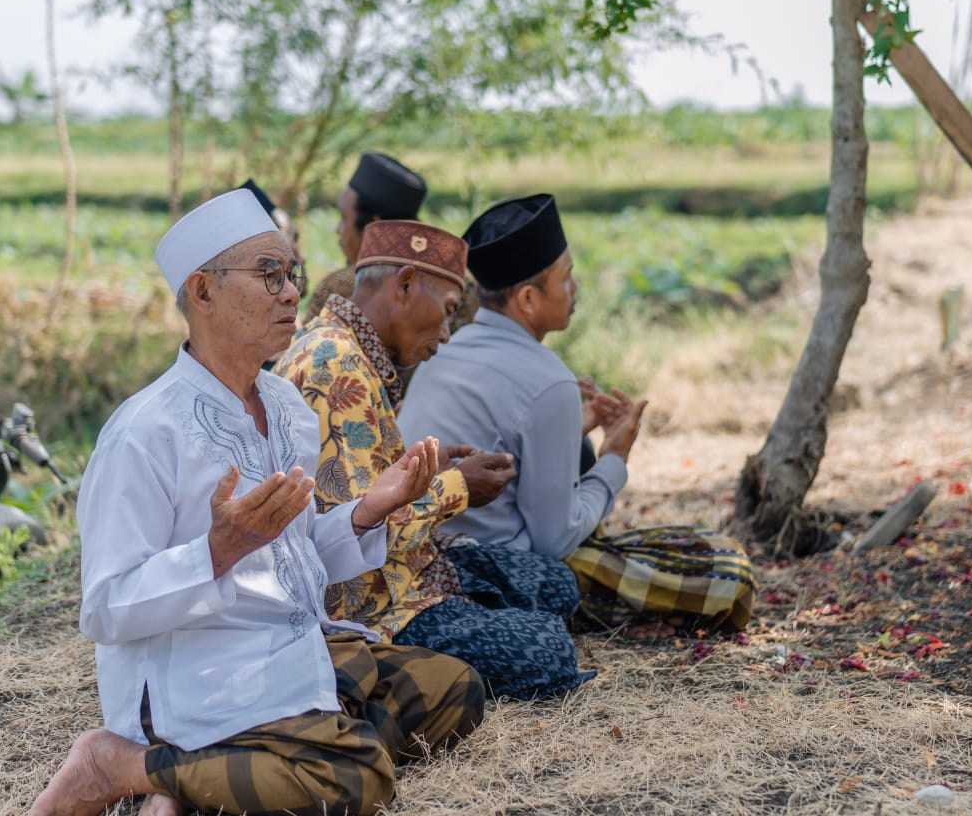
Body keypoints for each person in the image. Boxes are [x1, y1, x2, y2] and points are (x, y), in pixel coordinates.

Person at [29, 189, 483, 816]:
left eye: (291, 274)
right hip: (206, 672)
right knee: (357, 781)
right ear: (204, 292)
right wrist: (219, 551)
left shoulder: (286, 407)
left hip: (293, 646)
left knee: (455, 688)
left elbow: (293, 557)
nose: (292, 293)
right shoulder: (144, 432)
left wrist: (368, 509)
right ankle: (118, 764)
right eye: (269, 275)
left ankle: (207, 782)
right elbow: (105, 609)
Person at [398, 194, 756, 634]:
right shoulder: (548, 381)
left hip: (418, 557)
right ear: (528, 299)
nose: (576, 288)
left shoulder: (446, 350)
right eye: (566, 277)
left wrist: (570, 429)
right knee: (727, 571)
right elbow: (555, 542)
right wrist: (613, 460)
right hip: (500, 572)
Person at [276, 219, 592, 699]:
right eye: (446, 312)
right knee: (546, 649)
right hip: (370, 604)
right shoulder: (337, 365)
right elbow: (356, 536)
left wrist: (428, 468)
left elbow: (364, 485)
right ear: (405, 285)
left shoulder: (344, 346)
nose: (446, 334)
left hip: (409, 566)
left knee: (555, 585)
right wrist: (458, 487)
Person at [305, 153, 428, 319]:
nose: (338, 229)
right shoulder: (442, 288)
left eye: (344, 218)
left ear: (372, 227)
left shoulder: (337, 287)